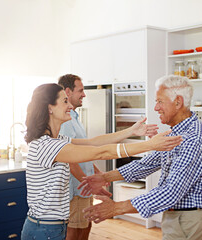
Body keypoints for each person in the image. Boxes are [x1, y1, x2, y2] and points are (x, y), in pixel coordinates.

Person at [21, 83, 182, 240]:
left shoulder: (57, 140)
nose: (70, 105)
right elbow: (101, 152)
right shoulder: (47, 145)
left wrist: (131, 131)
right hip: (44, 229)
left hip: (53, 226)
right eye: (64, 101)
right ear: (49, 108)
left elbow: (94, 142)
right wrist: (149, 145)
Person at [80, 75, 202, 240]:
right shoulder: (177, 132)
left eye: (160, 101)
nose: (155, 108)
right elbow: (146, 164)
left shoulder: (194, 137)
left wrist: (116, 208)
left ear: (178, 102)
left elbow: (171, 192)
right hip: (177, 216)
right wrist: (104, 177)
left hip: (186, 219)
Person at [58, 74, 109, 240]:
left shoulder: (75, 118)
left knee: (86, 227)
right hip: (77, 189)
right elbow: (71, 161)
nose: (84, 95)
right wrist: (91, 185)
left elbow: (82, 153)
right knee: (74, 232)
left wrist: (98, 174)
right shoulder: (65, 121)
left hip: (83, 187)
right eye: (80, 90)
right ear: (67, 91)